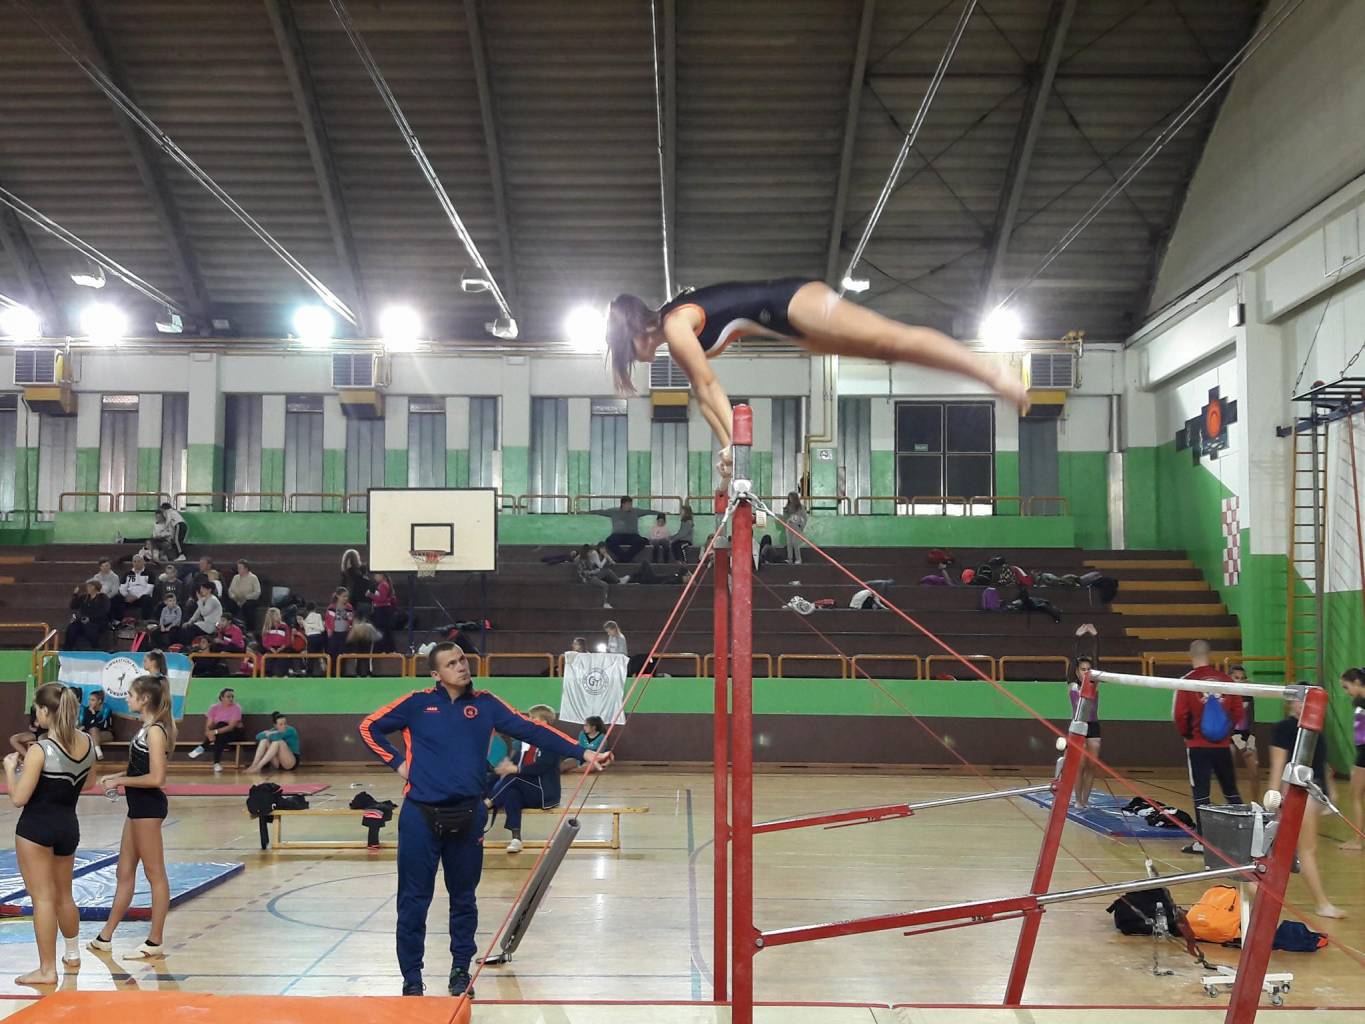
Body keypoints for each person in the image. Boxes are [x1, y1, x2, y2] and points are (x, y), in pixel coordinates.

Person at [359, 642, 611, 998]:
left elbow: (534, 730)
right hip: (419, 817)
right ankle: (412, 978)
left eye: (462, 660)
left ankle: (460, 970)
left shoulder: (486, 704)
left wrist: (584, 752)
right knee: (413, 900)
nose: (461, 666)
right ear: (436, 674)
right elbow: (368, 727)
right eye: (451, 663)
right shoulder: (416, 704)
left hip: (468, 814)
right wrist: (398, 764)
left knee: (464, 899)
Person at [605, 280, 1029, 480]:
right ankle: (987, 374)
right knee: (888, 350)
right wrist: (728, 450)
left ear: (635, 334)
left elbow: (711, 386)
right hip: (792, 326)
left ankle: (992, 373)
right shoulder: (674, 330)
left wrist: (736, 444)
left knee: (891, 339)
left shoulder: (675, 326)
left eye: (628, 354)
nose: (636, 361)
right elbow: (702, 396)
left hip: (792, 302)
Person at [3, 683, 93, 986]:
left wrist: (10, 769)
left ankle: (47, 969)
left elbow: (19, 798)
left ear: (44, 710)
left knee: (42, 898)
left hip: (36, 829)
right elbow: (90, 783)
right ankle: (73, 954)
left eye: (36, 709)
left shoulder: (40, 750)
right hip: (68, 826)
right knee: (64, 894)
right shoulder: (87, 742)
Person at [89, 675, 174, 959]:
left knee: (155, 874)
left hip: (149, 808)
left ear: (145, 699)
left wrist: (121, 781)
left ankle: (155, 940)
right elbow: (139, 769)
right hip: (137, 808)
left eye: (130, 694)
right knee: (123, 872)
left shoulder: (156, 731)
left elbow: (157, 778)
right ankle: (105, 937)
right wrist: (116, 776)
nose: (127, 698)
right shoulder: (144, 729)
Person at [1267, 685, 1344, 918]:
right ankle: (1322, 904)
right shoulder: (1284, 728)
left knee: (1282, 850)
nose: (1303, 706)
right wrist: (1273, 797)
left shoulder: (1315, 729)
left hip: (1314, 792)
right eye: (1300, 701)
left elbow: (1322, 763)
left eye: (1307, 702)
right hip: (1297, 794)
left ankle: (1262, 894)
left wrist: (1330, 791)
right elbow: (1278, 765)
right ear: (1291, 703)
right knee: (1305, 850)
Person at [1175, 640, 1243, 855]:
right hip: (1222, 747)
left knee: (1201, 793)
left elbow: (1180, 714)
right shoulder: (1226, 680)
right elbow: (1238, 712)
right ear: (1210, 655)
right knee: (1231, 791)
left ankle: (1203, 842)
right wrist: (1225, 732)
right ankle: (1246, 837)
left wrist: (1187, 734)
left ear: (1190, 655)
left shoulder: (1187, 682)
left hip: (1197, 746)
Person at [490, 705, 571, 853]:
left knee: (513, 777)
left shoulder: (552, 741)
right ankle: (516, 838)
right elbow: (513, 764)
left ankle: (488, 803)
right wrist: (503, 768)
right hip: (526, 789)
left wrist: (515, 770)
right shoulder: (524, 741)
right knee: (511, 793)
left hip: (544, 792)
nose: (529, 721)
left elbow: (541, 767)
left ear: (544, 722)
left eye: (533, 718)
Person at [1069, 656, 1101, 809]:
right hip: (1078, 726)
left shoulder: (1095, 685)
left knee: (1091, 765)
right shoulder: (1073, 687)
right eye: (1083, 670)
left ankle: (1085, 800)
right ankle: (1078, 800)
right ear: (1077, 672)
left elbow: (1098, 670)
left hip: (1093, 726)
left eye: (1089, 669)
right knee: (1080, 765)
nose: (1086, 672)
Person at [588, 496, 660, 563]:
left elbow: (647, 511)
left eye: (630, 504)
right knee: (609, 541)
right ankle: (625, 557)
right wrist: (588, 512)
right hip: (617, 535)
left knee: (642, 541)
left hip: (632, 535)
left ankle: (625, 557)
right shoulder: (614, 511)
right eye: (628, 504)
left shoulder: (635, 511)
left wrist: (660, 513)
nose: (630, 506)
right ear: (622, 504)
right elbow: (602, 512)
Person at [188, 687, 244, 773]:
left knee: (221, 724)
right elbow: (208, 726)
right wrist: (210, 733)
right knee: (220, 735)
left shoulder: (236, 708)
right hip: (220, 734)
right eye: (228, 696)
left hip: (234, 733)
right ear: (222, 698)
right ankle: (216, 764)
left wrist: (214, 732)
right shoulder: (214, 708)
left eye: (232, 696)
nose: (231, 699)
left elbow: (231, 727)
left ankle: (203, 747)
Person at [1340, 667, 1365, 852]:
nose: (1346, 691)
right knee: (1356, 795)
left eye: (1346, 687)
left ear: (1357, 682)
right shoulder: (1359, 701)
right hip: (1361, 753)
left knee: (1355, 795)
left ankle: (1358, 840)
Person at [1226, 664, 1259, 798]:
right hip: (1230, 736)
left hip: (1245, 735)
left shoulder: (1248, 696)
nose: (1239, 681)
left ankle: (1255, 802)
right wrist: (1240, 744)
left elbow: (1251, 722)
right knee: (1229, 766)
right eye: (1236, 678)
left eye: (1242, 678)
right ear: (1229, 678)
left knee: (1254, 768)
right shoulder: (1226, 696)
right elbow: (1227, 724)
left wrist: (1250, 743)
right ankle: (1233, 800)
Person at [64, 580, 110, 651]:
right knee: (72, 627)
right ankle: (67, 649)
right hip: (83, 620)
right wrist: (75, 595)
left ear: (95, 587)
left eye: (90, 586)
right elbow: (73, 606)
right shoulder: (84, 597)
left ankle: (95, 647)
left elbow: (104, 611)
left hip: (97, 621)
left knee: (90, 627)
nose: (87, 588)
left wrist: (90, 618)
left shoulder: (103, 598)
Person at [111, 555, 155, 623]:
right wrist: (127, 595)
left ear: (143, 562)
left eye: (139, 561)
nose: (136, 563)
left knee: (147, 598)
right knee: (116, 598)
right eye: (135, 561)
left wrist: (137, 597)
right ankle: (118, 621)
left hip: (141, 598)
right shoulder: (127, 574)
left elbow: (149, 589)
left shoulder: (149, 573)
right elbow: (122, 587)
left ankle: (145, 621)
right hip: (129, 598)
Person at [177, 581, 221, 646]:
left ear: (209, 590)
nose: (201, 590)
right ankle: (182, 645)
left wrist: (199, 600)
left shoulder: (212, 600)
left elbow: (204, 613)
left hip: (212, 625)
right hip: (206, 624)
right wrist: (190, 622)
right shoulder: (205, 599)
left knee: (192, 629)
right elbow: (198, 612)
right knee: (187, 627)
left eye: (203, 588)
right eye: (201, 588)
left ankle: (187, 646)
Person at [223, 559, 261, 628]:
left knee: (248, 606)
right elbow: (230, 590)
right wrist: (233, 596)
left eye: (240, 568)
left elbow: (257, 592)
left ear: (246, 569)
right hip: (236, 599)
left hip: (248, 599)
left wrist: (246, 597)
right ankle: (230, 626)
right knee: (229, 604)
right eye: (238, 568)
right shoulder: (236, 577)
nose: (238, 570)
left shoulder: (253, 578)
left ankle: (250, 629)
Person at [325, 587, 355, 668]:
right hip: (334, 635)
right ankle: (331, 673)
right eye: (344, 596)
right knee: (332, 656)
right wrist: (329, 630)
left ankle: (341, 673)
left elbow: (350, 620)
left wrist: (350, 629)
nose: (346, 598)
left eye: (347, 596)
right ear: (338, 596)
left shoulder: (349, 607)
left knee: (342, 656)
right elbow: (328, 620)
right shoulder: (332, 607)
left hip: (344, 634)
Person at [81, 688, 113, 762]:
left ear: (99, 701)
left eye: (92, 700)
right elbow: (85, 725)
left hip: (106, 733)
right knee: (93, 730)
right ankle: (98, 752)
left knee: (94, 729)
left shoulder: (106, 710)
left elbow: (103, 726)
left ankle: (95, 753)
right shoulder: (87, 710)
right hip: (90, 734)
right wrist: (92, 715)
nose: (89, 702)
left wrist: (93, 715)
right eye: (89, 699)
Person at [369, 572, 398, 652]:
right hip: (382, 610)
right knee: (385, 631)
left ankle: (383, 649)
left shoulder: (383, 585)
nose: (375, 577)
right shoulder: (382, 585)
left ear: (381, 576)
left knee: (382, 630)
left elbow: (382, 598)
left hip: (382, 610)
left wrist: (370, 595)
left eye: (376, 575)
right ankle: (388, 649)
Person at [782, 492, 808, 565]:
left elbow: (805, 517)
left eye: (791, 497)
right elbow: (784, 518)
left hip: (797, 527)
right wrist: (787, 519)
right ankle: (789, 559)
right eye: (789, 497)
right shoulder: (787, 507)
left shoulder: (801, 507)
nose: (790, 499)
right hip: (789, 526)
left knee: (795, 542)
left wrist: (802, 526)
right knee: (789, 543)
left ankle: (798, 559)